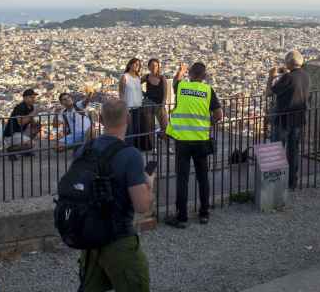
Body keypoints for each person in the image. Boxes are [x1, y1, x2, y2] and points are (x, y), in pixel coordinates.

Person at [78, 99, 154, 292]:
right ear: (128, 118)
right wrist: (150, 185)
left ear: (101, 119)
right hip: (118, 238)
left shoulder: (83, 150)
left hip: (89, 237)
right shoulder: (130, 155)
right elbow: (142, 206)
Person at [165, 62, 223, 228]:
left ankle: (181, 217)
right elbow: (219, 114)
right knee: (202, 177)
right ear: (204, 76)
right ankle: (204, 214)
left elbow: (175, 82)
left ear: (190, 74)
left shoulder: (182, 87)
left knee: (182, 179)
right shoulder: (207, 91)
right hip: (201, 140)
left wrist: (181, 71)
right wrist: (208, 123)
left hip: (182, 141)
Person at [266, 51, 310, 189]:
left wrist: (271, 77)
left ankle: (275, 183)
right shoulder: (306, 75)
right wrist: (286, 74)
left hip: (283, 119)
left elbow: (269, 93)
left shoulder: (288, 77)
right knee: (293, 151)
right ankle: (292, 182)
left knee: (276, 150)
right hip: (298, 118)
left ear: (290, 63)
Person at [119, 58, 149, 150]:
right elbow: (121, 93)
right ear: (129, 65)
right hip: (129, 108)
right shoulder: (125, 77)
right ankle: (128, 149)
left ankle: (135, 149)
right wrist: (124, 107)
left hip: (138, 107)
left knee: (136, 129)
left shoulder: (138, 78)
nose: (137, 66)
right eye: (135, 64)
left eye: (138, 64)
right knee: (129, 131)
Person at [142, 58, 168, 133]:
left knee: (165, 128)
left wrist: (163, 105)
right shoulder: (146, 77)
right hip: (148, 104)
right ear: (149, 67)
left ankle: (165, 142)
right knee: (150, 128)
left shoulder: (162, 78)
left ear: (158, 67)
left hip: (159, 105)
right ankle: (152, 144)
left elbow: (165, 93)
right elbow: (136, 84)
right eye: (152, 65)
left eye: (156, 65)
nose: (154, 67)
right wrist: (143, 93)